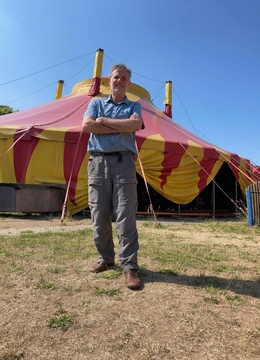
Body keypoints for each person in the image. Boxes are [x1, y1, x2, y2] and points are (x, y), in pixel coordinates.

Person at [82, 64, 144, 289]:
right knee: (99, 214)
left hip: (124, 163)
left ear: (128, 83)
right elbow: (86, 126)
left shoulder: (135, 105)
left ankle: (130, 267)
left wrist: (104, 122)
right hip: (98, 163)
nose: (120, 81)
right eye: (116, 77)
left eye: (124, 79)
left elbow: (136, 124)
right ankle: (106, 258)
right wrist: (122, 127)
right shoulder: (96, 102)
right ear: (109, 80)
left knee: (126, 215)